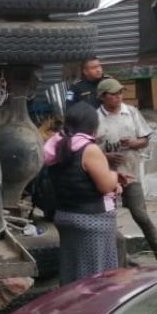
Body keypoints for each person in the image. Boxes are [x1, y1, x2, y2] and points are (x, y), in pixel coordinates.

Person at [44, 102, 126, 285]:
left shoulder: (56, 144)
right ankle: (92, 311)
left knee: (72, 272)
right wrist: (114, 177)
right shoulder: (89, 149)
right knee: (95, 279)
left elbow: (76, 178)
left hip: (65, 215)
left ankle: (71, 308)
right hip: (93, 219)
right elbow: (105, 186)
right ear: (93, 125)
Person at [96, 78, 157, 265]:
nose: (119, 97)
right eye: (114, 94)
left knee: (141, 215)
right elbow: (88, 149)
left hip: (131, 173)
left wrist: (133, 143)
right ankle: (120, 261)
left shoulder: (131, 112)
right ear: (103, 97)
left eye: (120, 93)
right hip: (106, 177)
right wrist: (106, 156)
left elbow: (145, 139)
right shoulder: (95, 118)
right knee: (109, 220)